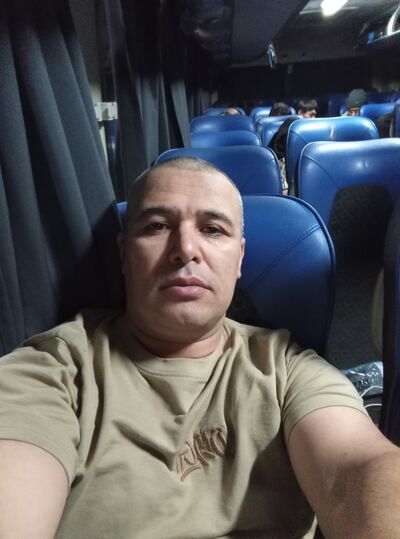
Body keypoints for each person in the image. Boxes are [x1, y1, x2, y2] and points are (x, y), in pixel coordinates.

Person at [1, 157, 400, 538]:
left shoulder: (287, 369)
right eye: (157, 226)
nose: (185, 249)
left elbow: (358, 467)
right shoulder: (55, 371)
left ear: (239, 257)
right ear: (124, 253)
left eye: (212, 229)